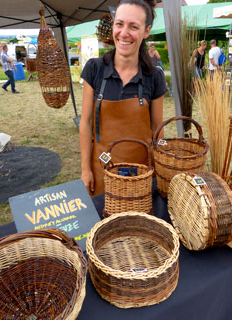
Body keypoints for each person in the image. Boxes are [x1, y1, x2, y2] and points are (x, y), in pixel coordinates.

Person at [78, 0, 167, 196]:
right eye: (119, 24)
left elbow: (157, 130)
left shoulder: (154, 77)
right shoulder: (94, 69)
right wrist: (85, 170)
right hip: (101, 171)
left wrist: (162, 171)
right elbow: (85, 123)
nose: (124, 33)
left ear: (146, 31)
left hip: (142, 175)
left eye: (133, 26)